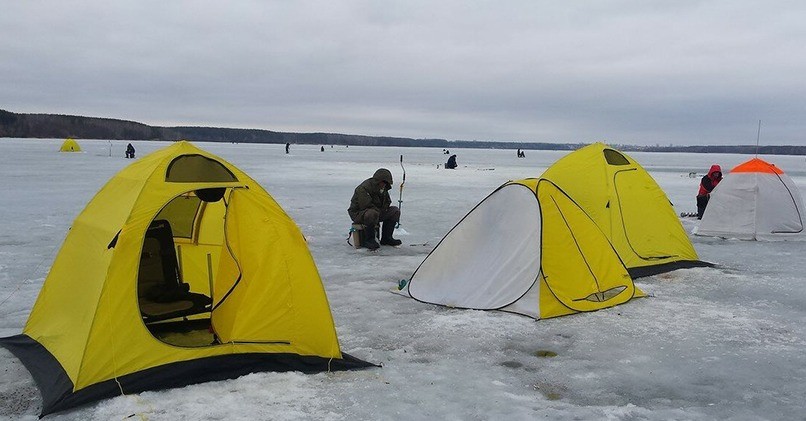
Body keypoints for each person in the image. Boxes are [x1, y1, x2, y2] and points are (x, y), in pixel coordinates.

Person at [348, 168, 402, 249]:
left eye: (386, 183)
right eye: (383, 182)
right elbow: (365, 205)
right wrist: (379, 211)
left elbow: (387, 201)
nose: (384, 184)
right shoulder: (364, 188)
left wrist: (385, 209)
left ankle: (387, 238)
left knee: (395, 211)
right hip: (359, 214)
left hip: (376, 212)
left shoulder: (383, 189)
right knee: (371, 213)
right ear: (378, 181)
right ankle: (369, 239)